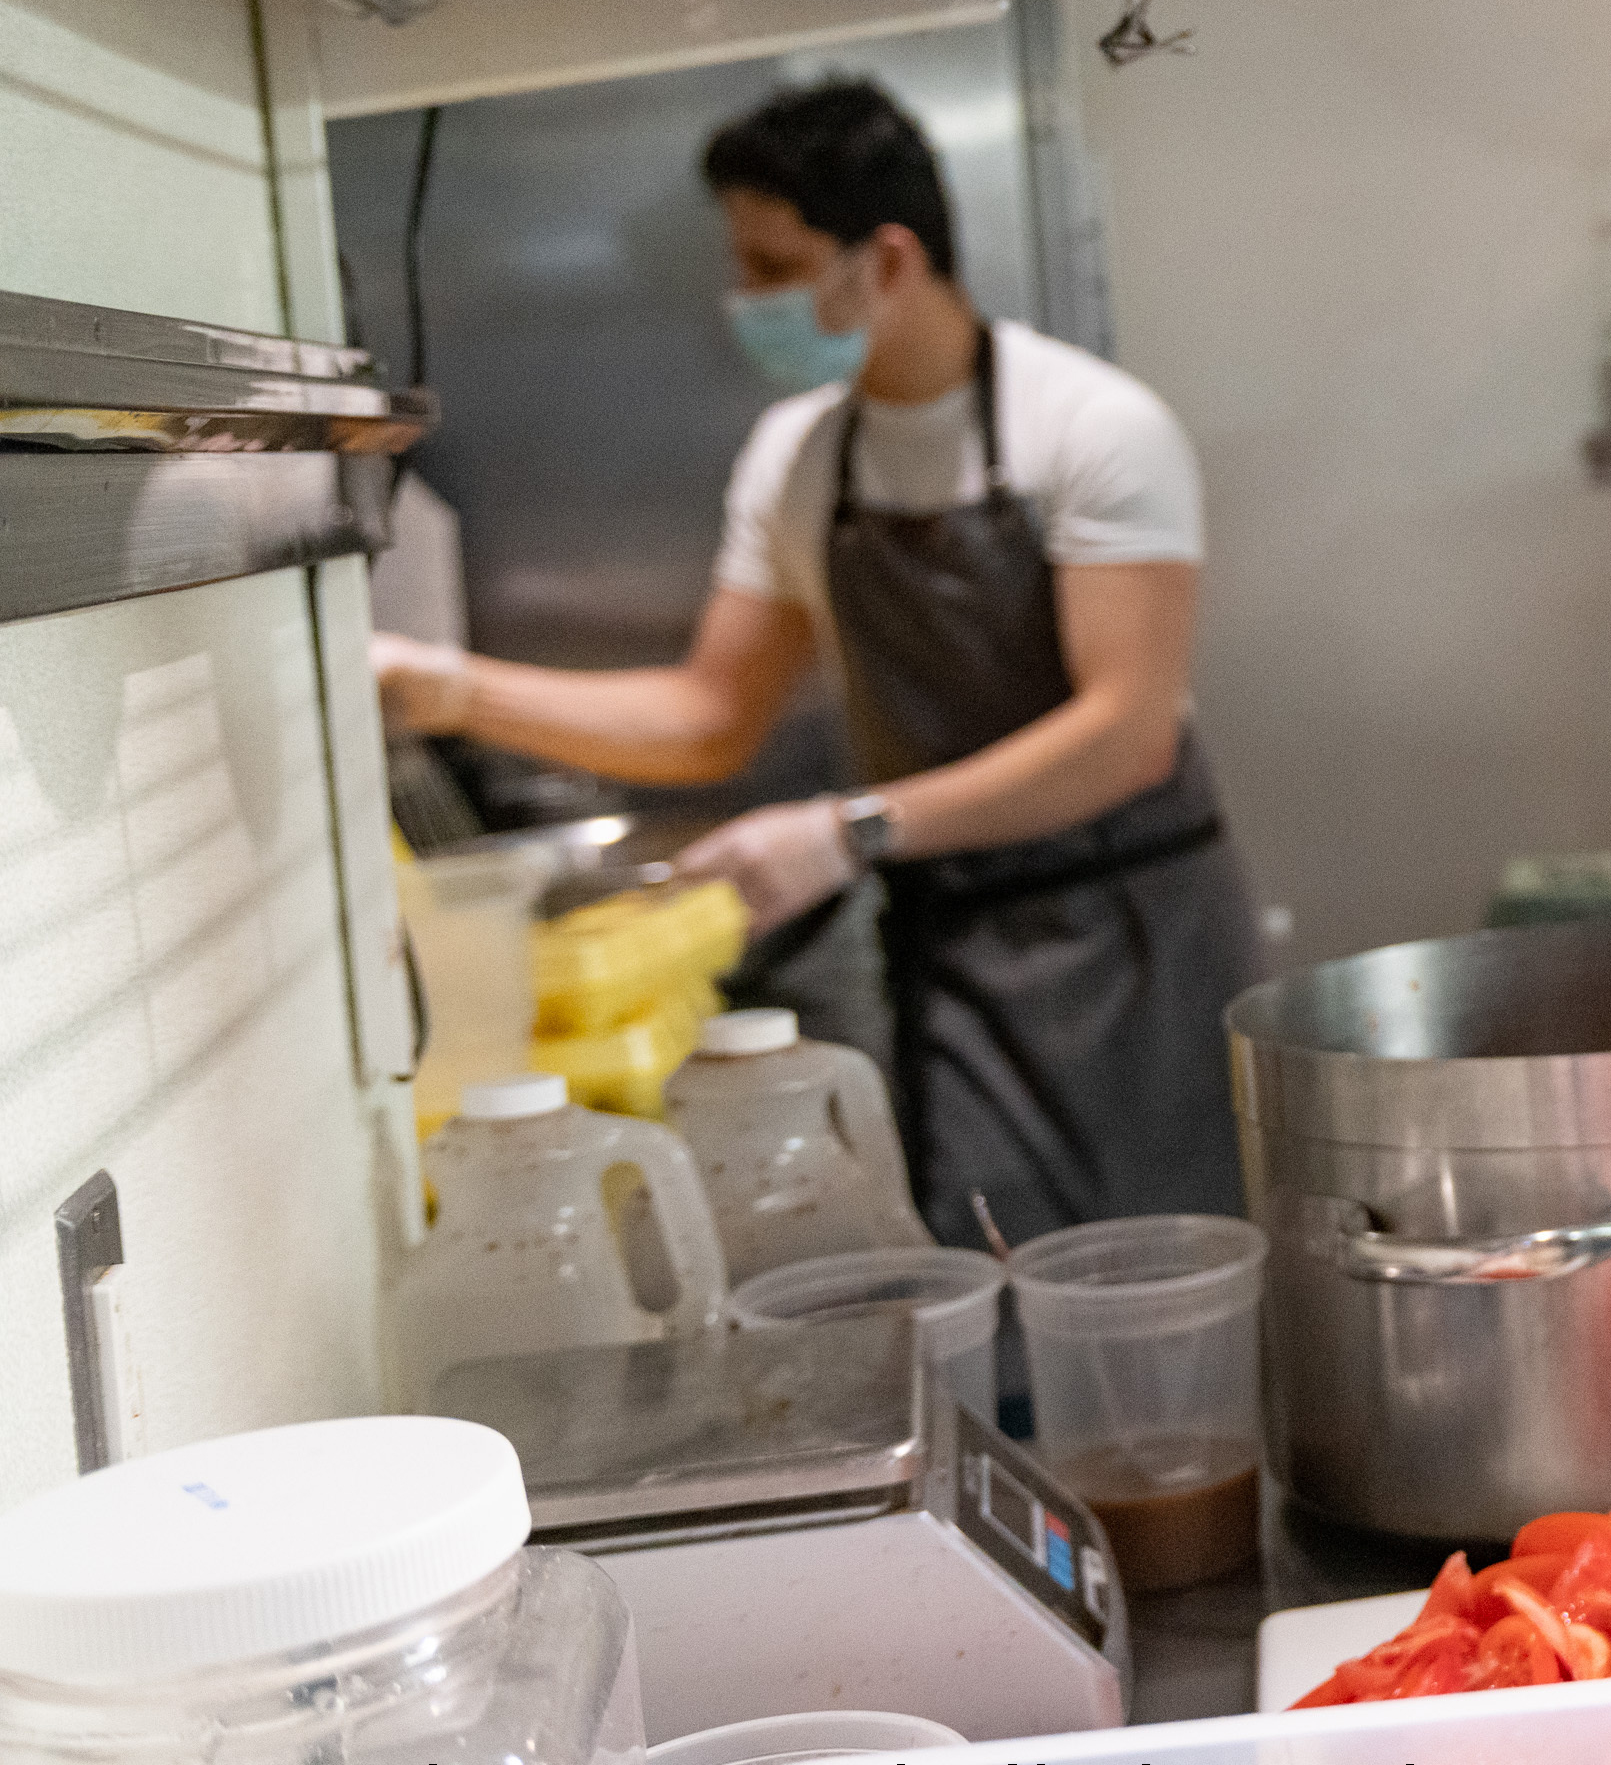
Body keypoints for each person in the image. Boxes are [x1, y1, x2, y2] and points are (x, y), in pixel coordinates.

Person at [376, 79, 1263, 1249]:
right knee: (988, 1260)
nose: (744, 299)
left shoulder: (1092, 428)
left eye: (772, 263)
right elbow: (709, 717)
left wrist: (848, 830)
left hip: (1133, 936)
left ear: (885, 259)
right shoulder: (799, 460)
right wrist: (443, 685)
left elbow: (1126, 732)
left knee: (1171, 1274)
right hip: (951, 935)